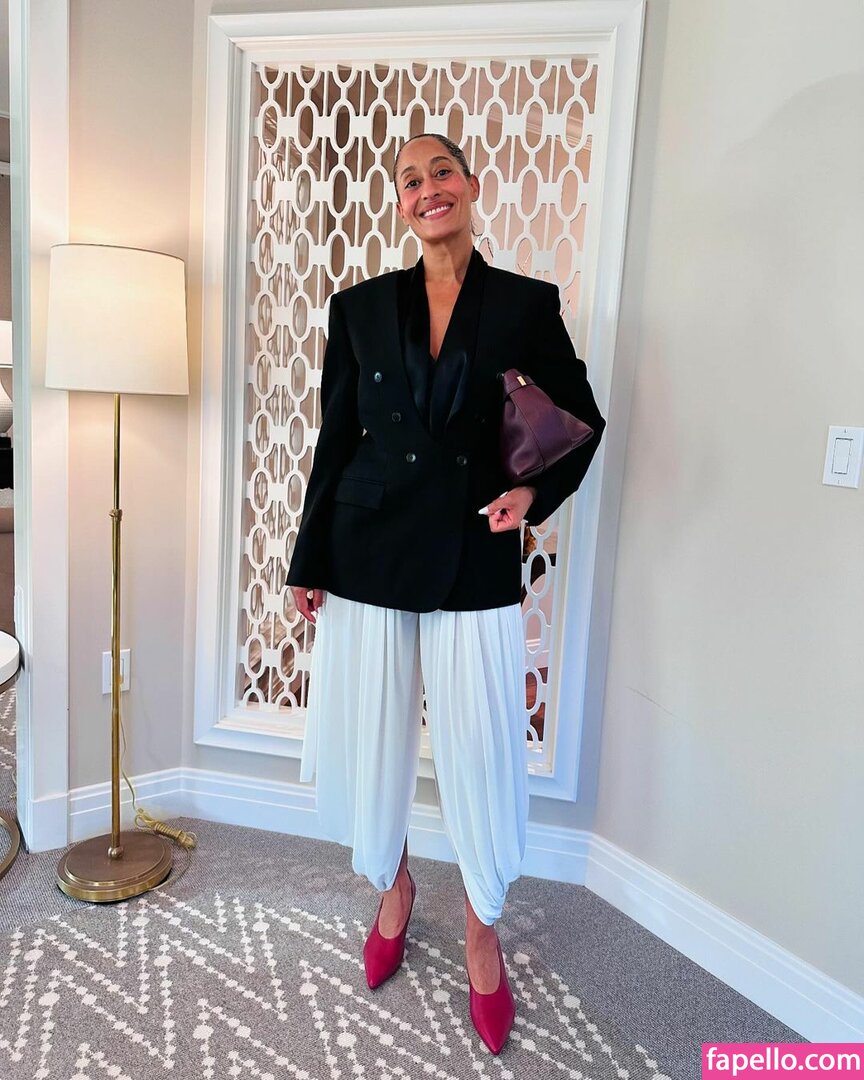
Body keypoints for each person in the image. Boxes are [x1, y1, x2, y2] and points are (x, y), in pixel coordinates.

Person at [286, 132, 606, 1054]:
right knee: (374, 733)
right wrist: (309, 558)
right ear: (400, 204)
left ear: (470, 185)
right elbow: (334, 440)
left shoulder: (525, 303)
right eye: (410, 180)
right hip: (367, 551)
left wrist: (533, 496)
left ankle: (480, 928)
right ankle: (394, 890)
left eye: (441, 172)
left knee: (480, 743)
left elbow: (580, 420)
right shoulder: (357, 308)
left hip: (473, 548)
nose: (428, 189)